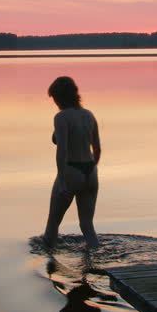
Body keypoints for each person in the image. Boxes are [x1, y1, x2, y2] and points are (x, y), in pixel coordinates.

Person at [41, 76, 101, 250]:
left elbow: (63, 151)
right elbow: (97, 149)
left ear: (59, 98)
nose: (55, 103)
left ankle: (48, 262)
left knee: (53, 223)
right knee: (87, 226)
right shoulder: (89, 115)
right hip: (90, 172)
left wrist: (61, 180)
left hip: (71, 170)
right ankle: (97, 258)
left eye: (55, 99)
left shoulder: (61, 117)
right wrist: (92, 169)